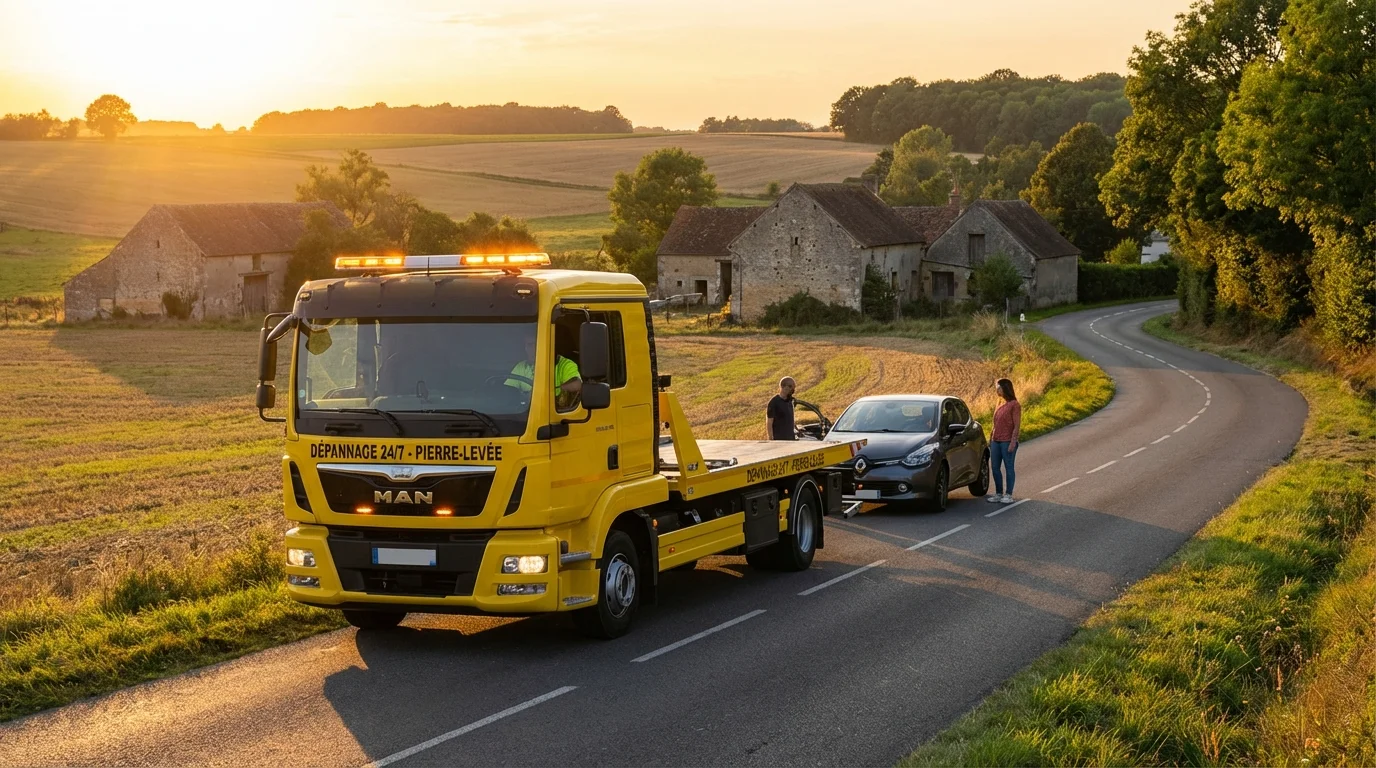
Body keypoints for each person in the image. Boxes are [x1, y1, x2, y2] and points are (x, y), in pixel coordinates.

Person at [507, 334, 582, 408]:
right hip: (527, 411)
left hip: (554, 410)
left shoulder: (565, 364)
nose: (531, 349)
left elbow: (577, 385)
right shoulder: (521, 366)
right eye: (528, 345)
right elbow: (508, 390)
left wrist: (549, 392)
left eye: (535, 344)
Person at [987, 378, 1021, 504]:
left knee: (1008, 467)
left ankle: (1008, 494)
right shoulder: (1000, 403)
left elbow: (1016, 425)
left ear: (1005, 388)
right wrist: (991, 438)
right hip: (996, 440)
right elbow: (995, 423)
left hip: (1007, 440)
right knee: (995, 467)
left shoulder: (1015, 405)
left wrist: (1013, 442)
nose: (997, 390)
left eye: (999, 388)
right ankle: (998, 493)